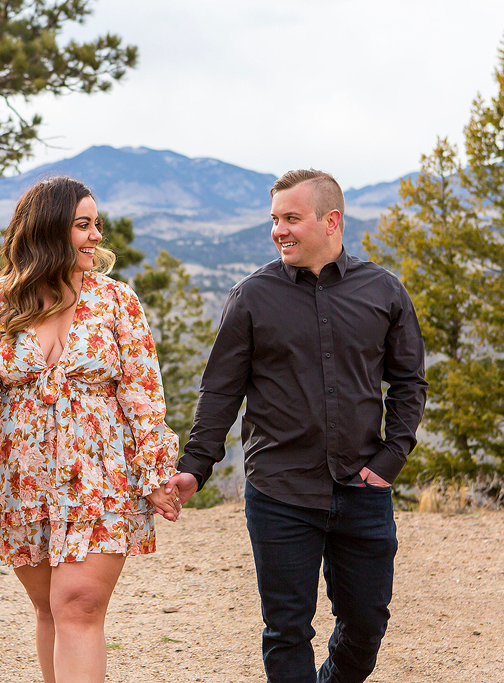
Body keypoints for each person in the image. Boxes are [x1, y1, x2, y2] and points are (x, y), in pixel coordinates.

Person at [165, 169, 427, 683]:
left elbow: (409, 384)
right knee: (286, 631)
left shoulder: (384, 291)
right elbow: (221, 391)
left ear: (331, 221)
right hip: (280, 492)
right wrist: (196, 466)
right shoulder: (251, 297)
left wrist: (390, 459)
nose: (278, 230)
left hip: (362, 488)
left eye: (291, 218)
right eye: (274, 219)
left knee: (367, 626)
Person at [0, 176, 180, 683]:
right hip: (21, 482)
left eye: (97, 225)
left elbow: (143, 394)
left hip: (101, 476)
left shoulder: (119, 302)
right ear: (50, 230)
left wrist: (156, 472)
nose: (97, 236)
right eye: (83, 225)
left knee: (79, 607)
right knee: (51, 608)